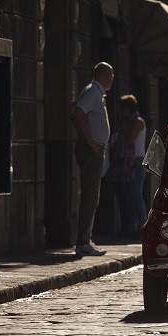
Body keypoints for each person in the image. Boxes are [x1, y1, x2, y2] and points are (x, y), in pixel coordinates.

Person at [71, 62, 113, 256]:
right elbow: (79, 112)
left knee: (92, 195)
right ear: (104, 75)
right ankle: (82, 242)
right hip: (91, 149)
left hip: (95, 148)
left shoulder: (98, 93)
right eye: (110, 75)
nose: (112, 79)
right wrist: (88, 139)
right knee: (90, 195)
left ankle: (86, 238)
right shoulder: (93, 92)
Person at [118, 94, 147, 238]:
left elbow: (131, 139)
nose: (121, 113)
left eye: (122, 110)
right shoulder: (131, 122)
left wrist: (123, 128)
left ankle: (143, 226)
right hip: (129, 162)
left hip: (136, 162)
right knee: (129, 195)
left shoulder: (138, 122)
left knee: (136, 195)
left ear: (127, 109)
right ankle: (132, 226)